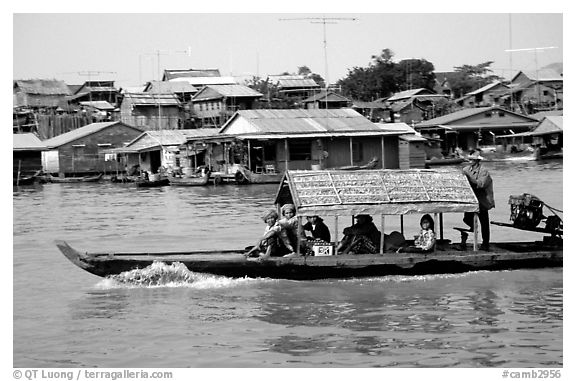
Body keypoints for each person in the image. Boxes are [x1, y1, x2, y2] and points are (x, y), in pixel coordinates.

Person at [462, 149, 495, 251]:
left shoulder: (484, 171)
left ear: (477, 161)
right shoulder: (466, 169)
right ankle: (473, 227)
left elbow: (481, 184)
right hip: (471, 200)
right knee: (467, 218)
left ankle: (485, 244)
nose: (470, 161)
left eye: (472, 159)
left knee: (484, 223)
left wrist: (468, 177)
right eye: (469, 159)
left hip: (483, 200)